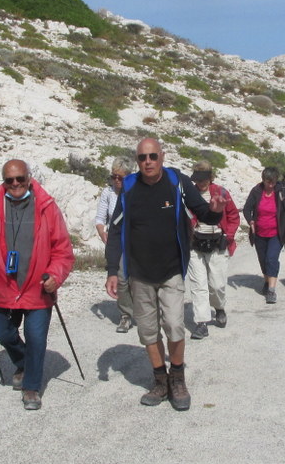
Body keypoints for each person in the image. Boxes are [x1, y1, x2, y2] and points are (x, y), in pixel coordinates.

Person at [105, 138, 224, 411]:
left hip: (171, 271)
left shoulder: (177, 181)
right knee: (148, 331)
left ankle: (178, 378)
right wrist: (113, 270)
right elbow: (115, 231)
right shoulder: (130, 188)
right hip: (139, 274)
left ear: (162, 156)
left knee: (173, 324)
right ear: (137, 160)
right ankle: (160, 380)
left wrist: (215, 213)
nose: (148, 162)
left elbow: (203, 212)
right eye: (142, 158)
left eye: (153, 157)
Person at [0, 159, 75, 410]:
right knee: (4, 334)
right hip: (2, 286)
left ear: (29, 178)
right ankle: (25, 363)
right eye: (9, 180)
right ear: (3, 181)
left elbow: (63, 250)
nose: (15, 184)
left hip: (37, 286)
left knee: (36, 338)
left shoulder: (46, 206)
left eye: (20, 179)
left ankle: (32, 388)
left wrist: (55, 275)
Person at [186, 161, 240, 340]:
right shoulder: (188, 194)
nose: (200, 183)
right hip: (195, 244)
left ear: (210, 177)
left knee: (216, 284)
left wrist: (229, 235)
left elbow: (233, 216)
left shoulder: (222, 193)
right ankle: (202, 323)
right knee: (198, 284)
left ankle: (219, 307)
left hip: (217, 243)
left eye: (203, 180)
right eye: (197, 180)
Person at [242, 167, 285, 305]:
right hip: (259, 232)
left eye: (273, 182)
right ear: (263, 180)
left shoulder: (281, 191)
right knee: (263, 260)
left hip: (276, 233)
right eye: (268, 182)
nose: (271, 185)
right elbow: (247, 208)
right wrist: (251, 221)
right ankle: (266, 280)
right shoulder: (256, 191)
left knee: (271, 258)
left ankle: (271, 290)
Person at [94, 157, 134, 333]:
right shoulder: (108, 193)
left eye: (121, 177)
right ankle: (125, 315)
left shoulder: (135, 192)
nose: (116, 180)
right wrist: (103, 233)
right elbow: (100, 218)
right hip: (117, 241)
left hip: (136, 240)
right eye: (114, 176)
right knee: (121, 277)